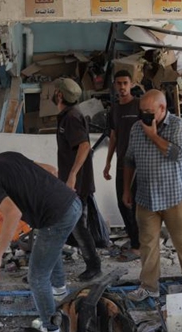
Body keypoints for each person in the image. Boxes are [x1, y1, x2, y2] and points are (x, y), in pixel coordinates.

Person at [0, 149, 81, 332]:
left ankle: (52, 330)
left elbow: (13, 213)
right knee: (49, 245)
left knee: (37, 277)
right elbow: (51, 170)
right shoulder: (5, 156)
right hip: (73, 203)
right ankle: (60, 292)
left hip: (56, 218)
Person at [122, 90, 182, 302]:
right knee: (147, 244)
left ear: (162, 109)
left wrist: (153, 135)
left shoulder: (177, 126)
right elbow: (129, 160)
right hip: (146, 197)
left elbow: (179, 154)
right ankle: (149, 286)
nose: (144, 116)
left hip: (174, 195)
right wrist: (126, 189)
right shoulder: (136, 128)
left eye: (149, 111)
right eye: (142, 111)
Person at [53, 78, 102, 282]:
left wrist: (72, 175)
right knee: (74, 224)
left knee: (78, 225)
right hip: (72, 181)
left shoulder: (72, 117)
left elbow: (83, 146)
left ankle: (94, 266)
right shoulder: (67, 116)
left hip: (77, 183)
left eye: (55, 91)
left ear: (60, 95)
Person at [104, 70, 141, 262]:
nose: (122, 87)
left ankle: (138, 246)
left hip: (140, 163)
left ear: (132, 84)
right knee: (122, 203)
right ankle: (135, 241)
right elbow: (114, 137)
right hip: (121, 163)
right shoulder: (115, 109)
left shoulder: (139, 105)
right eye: (118, 83)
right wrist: (108, 162)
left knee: (135, 204)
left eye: (125, 83)